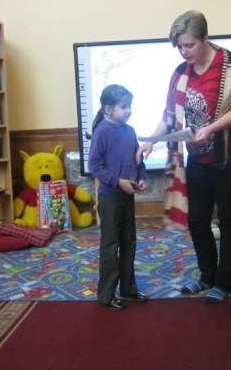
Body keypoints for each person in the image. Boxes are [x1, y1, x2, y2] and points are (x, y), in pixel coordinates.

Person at [137, 10, 231, 304]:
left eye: (189, 45)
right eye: (179, 46)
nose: (184, 51)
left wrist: (210, 129)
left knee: (228, 220)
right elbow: (169, 115)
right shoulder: (180, 73)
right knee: (198, 220)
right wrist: (151, 141)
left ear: (205, 38)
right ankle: (207, 276)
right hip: (199, 158)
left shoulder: (229, 66)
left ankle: (224, 282)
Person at [89, 84, 148, 310]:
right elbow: (95, 166)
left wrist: (140, 178)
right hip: (110, 198)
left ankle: (128, 289)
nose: (128, 110)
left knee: (129, 242)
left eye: (129, 106)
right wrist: (118, 182)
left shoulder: (130, 131)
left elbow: (137, 160)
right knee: (110, 245)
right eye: (124, 107)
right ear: (108, 109)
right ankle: (106, 295)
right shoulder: (102, 132)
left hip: (127, 197)